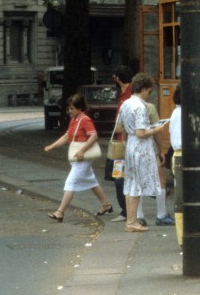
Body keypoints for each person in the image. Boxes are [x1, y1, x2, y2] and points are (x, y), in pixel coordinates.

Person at [43, 93, 113, 221]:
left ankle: (60, 212)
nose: (69, 111)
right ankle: (106, 205)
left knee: (71, 182)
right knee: (91, 181)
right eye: (68, 108)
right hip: (79, 156)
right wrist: (52, 146)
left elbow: (94, 136)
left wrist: (82, 150)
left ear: (80, 108)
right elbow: (66, 136)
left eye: (72, 108)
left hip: (83, 156)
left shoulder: (85, 119)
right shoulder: (74, 119)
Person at [119, 73, 164, 233]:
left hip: (130, 145)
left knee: (130, 184)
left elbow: (120, 127)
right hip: (140, 147)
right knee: (136, 185)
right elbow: (141, 132)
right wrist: (157, 128)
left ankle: (131, 220)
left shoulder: (125, 104)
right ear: (144, 89)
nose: (148, 94)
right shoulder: (140, 106)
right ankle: (132, 222)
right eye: (149, 91)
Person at [108, 65, 133, 222]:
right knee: (121, 177)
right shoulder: (124, 94)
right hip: (121, 143)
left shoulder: (127, 96)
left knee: (120, 178)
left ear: (117, 78)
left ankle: (126, 211)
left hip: (123, 143)